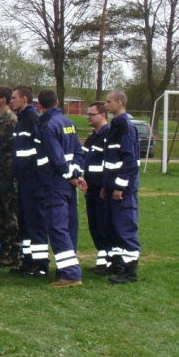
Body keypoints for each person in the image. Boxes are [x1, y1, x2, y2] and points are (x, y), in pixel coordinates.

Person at [35, 89, 84, 288]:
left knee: (57, 226)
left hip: (54, 182)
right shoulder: (69, 123)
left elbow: (56, 157)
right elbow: (79, 152)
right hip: (68, 183)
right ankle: (65, 269)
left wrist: (69, 175)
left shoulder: (47, 126)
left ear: (40, 106)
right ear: (57, 102)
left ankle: (71, 274)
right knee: (69, 226)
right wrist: (76, 174)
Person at [100, 90, 141, 284]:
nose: (105, 105)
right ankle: (117, 264)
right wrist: (106, 186)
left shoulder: (125, 126)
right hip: (112, 188)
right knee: (114, 229)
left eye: (108, 102)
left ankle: (130, 270)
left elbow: (130, 161)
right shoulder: (115, 126)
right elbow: (111, 162)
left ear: (119, 103)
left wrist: (119, 187)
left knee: (125, 229)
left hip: (123, 191)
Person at [9, 85, 47, 276]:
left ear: (25, 99)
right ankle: (27, 261)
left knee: (35, 224)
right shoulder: (21, 119)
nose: (11, 101)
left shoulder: (32, 119)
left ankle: (41, 265)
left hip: (33, 181)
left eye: (14, 98)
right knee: (24, 223)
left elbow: (37, 152)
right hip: (23, 180)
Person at [0, 86, 20, 267]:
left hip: (8, 172)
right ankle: (3, 248)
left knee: (10, 212)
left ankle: (14, 250)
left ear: (4, 100)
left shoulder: (11, 120)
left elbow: (14, 148)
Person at [82, 101, 110, 271]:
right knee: (94, 226)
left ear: (102, 115)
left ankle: (110, 261)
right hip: (91, 188)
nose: (88, 117)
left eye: (91, 114)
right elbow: (84, 159)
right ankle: (102, 261)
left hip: (102, 189)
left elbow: (110, 164)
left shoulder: (108, 136)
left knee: (104, 225)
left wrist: (105, 185)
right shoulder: (93, 137)